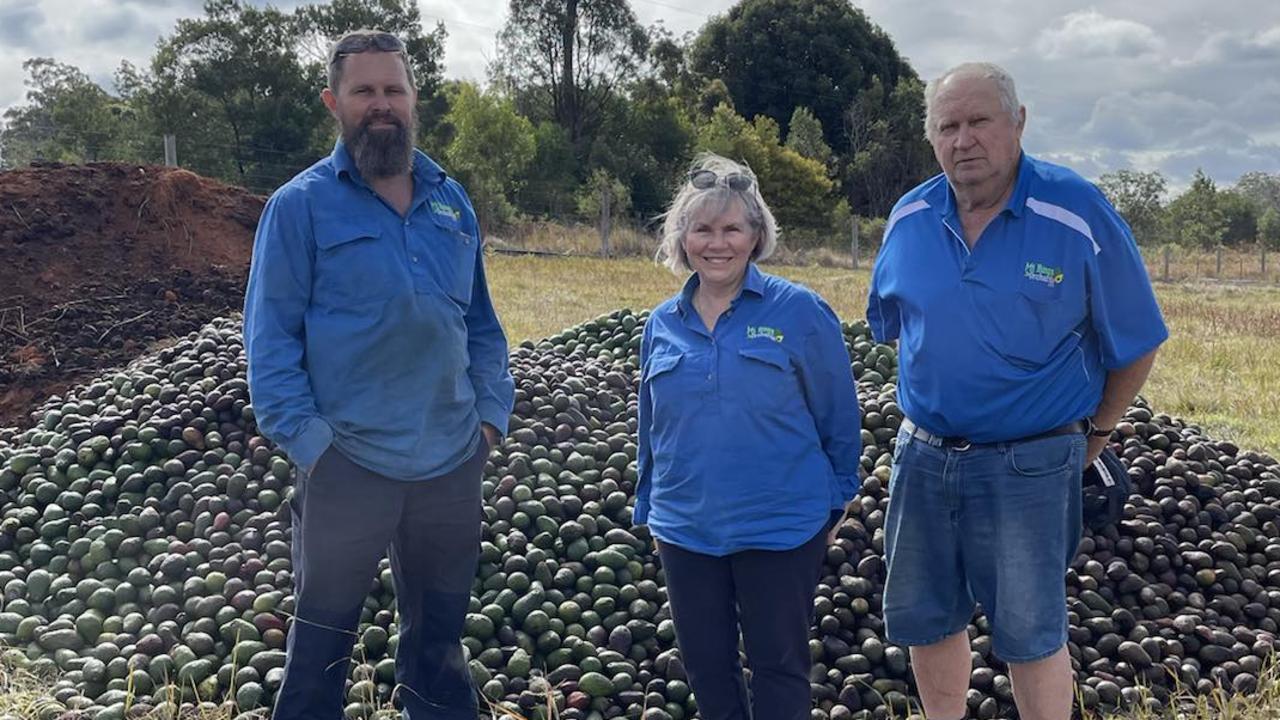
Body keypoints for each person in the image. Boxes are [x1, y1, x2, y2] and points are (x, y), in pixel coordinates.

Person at [867, 62, 1168, 720]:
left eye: (980, 121)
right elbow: (892, 325)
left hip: (1029, 462)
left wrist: (1099, 432)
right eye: (948, 126)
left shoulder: (1075, 211)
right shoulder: (910, 215)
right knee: (928, 618)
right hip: (922, 457)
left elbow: (1139, 338)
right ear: (932, 138)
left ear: (1018, 123)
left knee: (1031, 631)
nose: (963, 139)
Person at [242, 29, 513, 720]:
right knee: (320, 650)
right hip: (349, 464)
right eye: (364, 91)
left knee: (440, 644)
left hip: (451, 462)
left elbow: (481, 325)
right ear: (335, 101)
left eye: (394, 89)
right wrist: (313, 447)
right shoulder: (299, 206)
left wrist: (488, 418)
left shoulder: (451, 201)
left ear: (414, 99)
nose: (381, 104)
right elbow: (269, 342)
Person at [636, 153, 862, 720]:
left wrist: (833, 503)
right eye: (702, 228)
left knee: (778, 667)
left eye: (732, 228)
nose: (718, 243)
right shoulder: (661, 322)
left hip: (780, 527)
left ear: (756, 233)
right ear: (681, 237)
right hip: (685, 528)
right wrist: (650, 503)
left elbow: (839, 417)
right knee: (707, 668)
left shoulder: (800, 312)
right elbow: (651, 424)